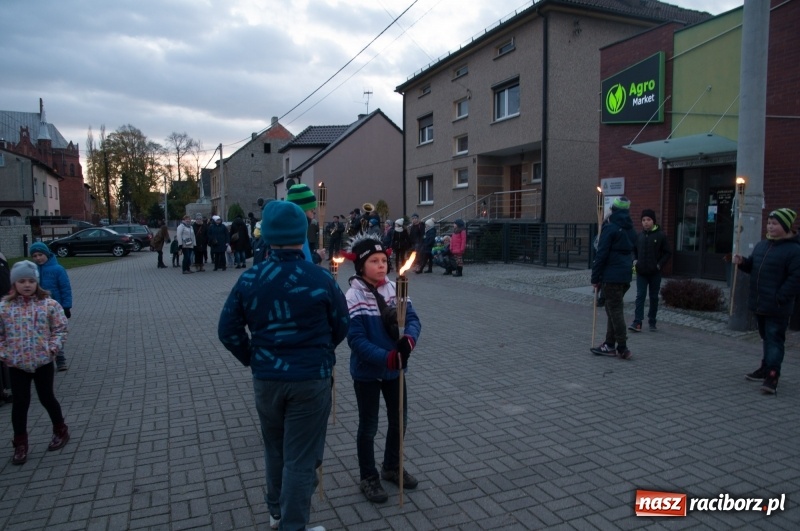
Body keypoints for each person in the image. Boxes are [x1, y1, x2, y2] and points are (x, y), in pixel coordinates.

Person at [218, 200, 348, 531]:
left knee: (275, 449)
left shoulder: (250, 278)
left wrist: (253, 357)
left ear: (269, 236)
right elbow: (341, 324)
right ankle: (293, 525)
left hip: (267, 378)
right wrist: (320, 351)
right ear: (300, 234)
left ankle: (276, 511)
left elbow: (227, 330)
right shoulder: (319, 278)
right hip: (310, 378)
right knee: (301, 458)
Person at [342, 233, 422, 504]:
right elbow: (356, 340)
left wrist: (408, 341)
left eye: (384, 260)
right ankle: (369, 476)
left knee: (400, 420)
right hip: (368, 372)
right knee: (369, 426)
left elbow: (412, 319)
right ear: (360, 266)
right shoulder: (353, 296)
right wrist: (386, 357)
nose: (381, 265)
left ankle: (391, 467)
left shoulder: (394, 289)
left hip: (395, 371)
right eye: (374, 261)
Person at [0, 261, 70, 465]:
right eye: (22, 281)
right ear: (14, 283)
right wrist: (5, 353)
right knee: (20, 403)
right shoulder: (5, 308)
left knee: (47, 397)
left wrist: (53, 348)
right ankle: (20, 442)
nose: (27, 285)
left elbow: (60, 329)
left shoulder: (48, 305)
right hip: (17, 364)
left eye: (31, 280)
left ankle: (60, 429)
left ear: (37, 282)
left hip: (42, 361)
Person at [733, 208, 800, 394]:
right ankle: (765, 367)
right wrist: (743, 262)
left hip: (778, 306)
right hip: (760, 302)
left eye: (775, 223)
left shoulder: (794, 250)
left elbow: (796, 278)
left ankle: (772, 375)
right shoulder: (762, 245)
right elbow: (754, 266)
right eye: (769, 223)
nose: (770, 227)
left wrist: (781, 297)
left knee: (775, 340)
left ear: (786, 226)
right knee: (766, 339)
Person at [590, 196, 637, 360]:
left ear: (614, 210)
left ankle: (622, 347)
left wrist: (595, 278)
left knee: (615, 311)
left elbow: (601, 255)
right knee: (612, 310)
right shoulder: (629, 229)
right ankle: (609, 344)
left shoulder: (610, 228)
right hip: (625, 275)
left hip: (612, 276)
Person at [29, 242, 73, 371]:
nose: (38, 258)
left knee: (55, 333)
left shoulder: (57, 269)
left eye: (40, 255)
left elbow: (65, 288)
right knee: (40, 334)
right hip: (36, 310)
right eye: (35, 256)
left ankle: (60, 358)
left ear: (47, 254)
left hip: (54, 309)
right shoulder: (32, 270)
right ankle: (41, 358)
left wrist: (66, 306)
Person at [629, 209, 671, 332]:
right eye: (643, 220)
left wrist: (659, 265)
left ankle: (652, 321)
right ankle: (637, 322)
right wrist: (634, 260)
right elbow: (633, 250)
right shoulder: (639, 236)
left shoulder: (661, 235)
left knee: (653, 297)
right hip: (641, 272)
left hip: (654, 273)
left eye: (648, 220)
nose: (646, 222)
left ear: (653, 221)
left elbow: (667, 253)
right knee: (640, 296)